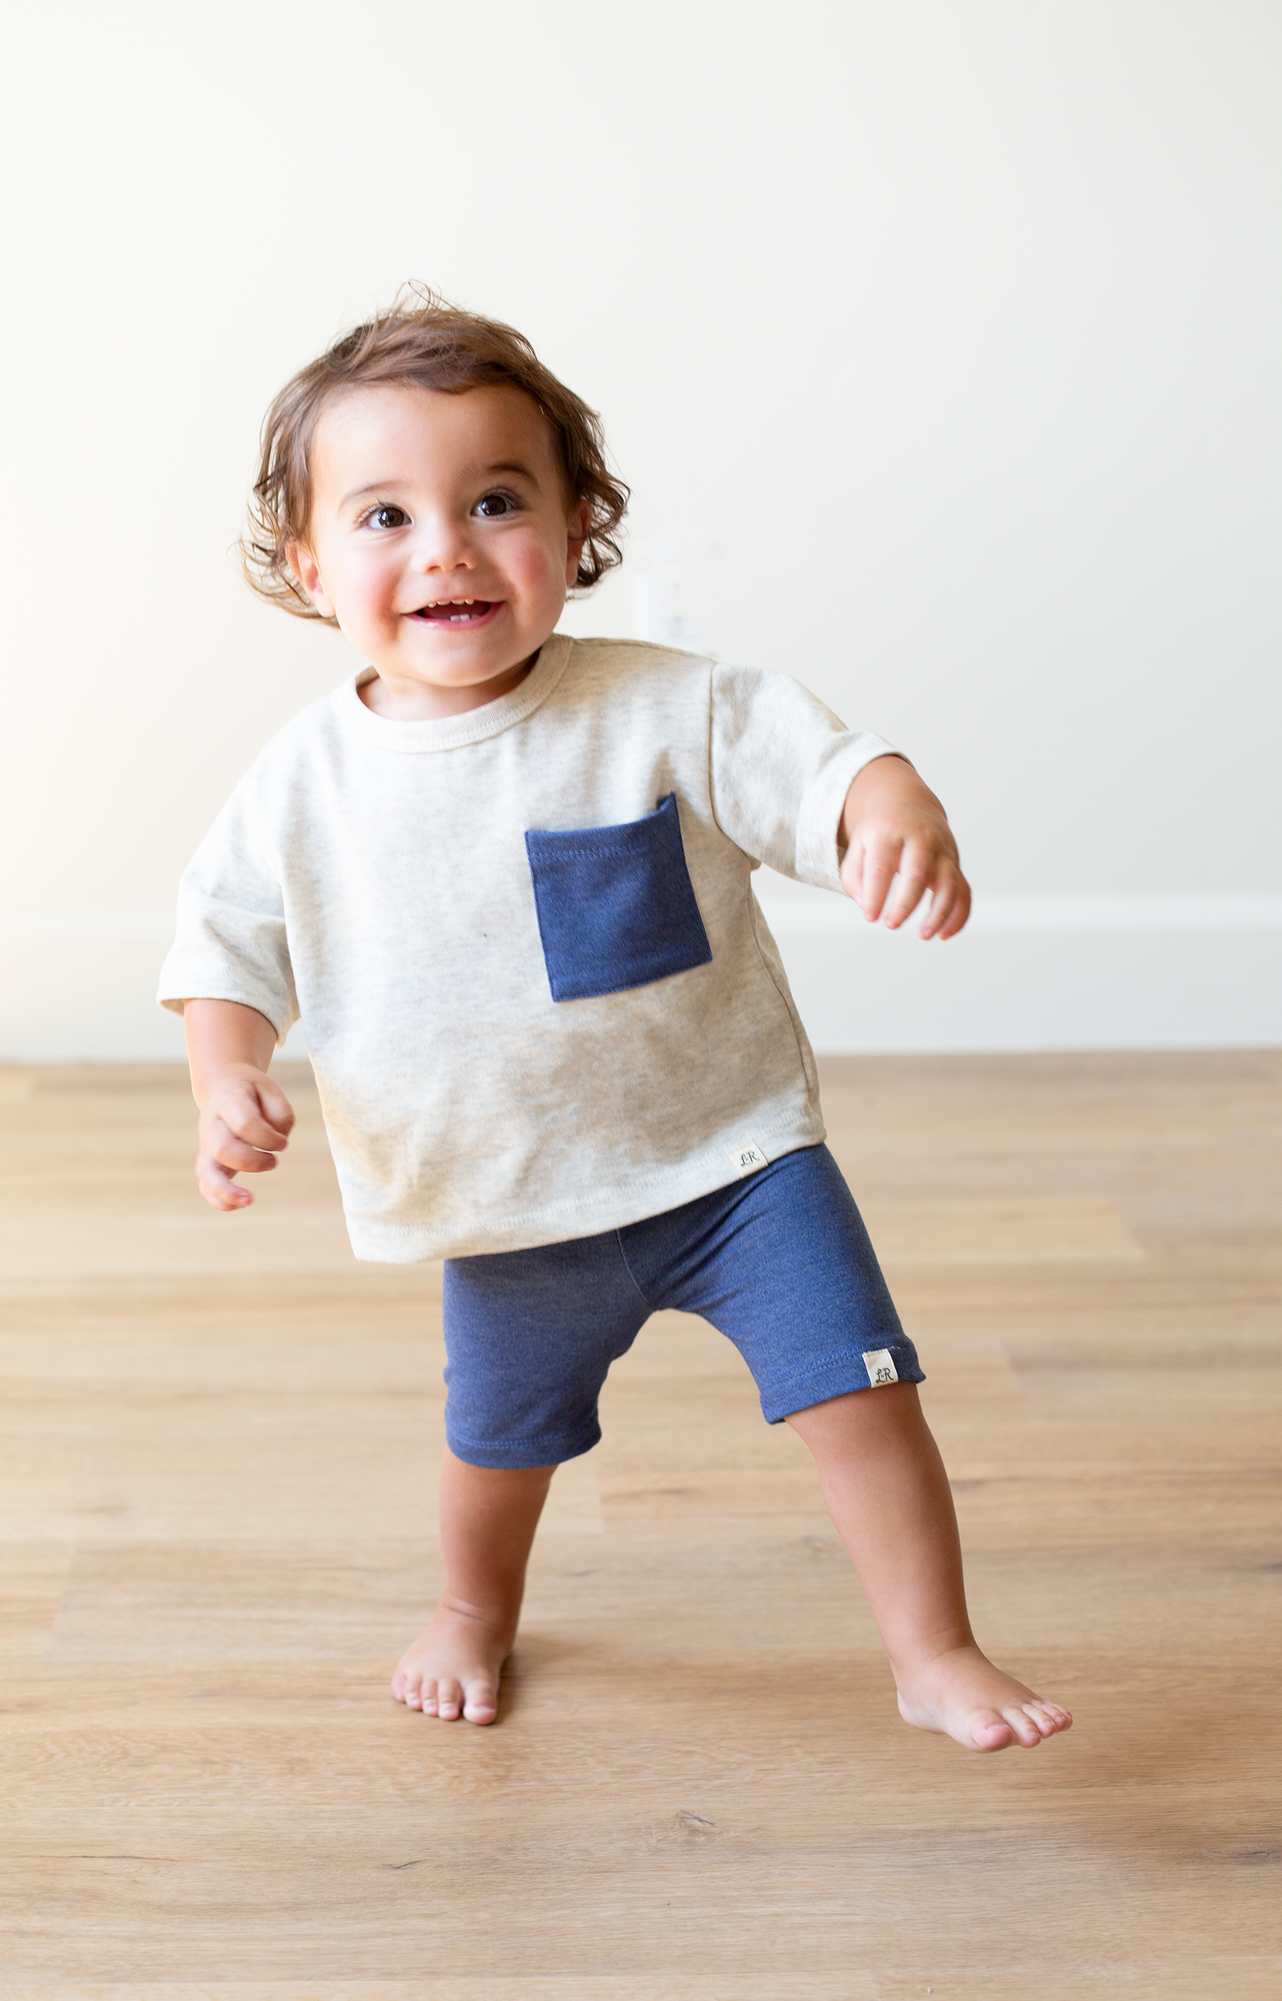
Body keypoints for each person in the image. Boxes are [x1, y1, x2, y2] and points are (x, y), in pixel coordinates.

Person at [159, 292, 1072, 1750]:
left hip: (737, 1163)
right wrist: (225, 1076)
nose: (447, 545)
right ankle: (473, 1609)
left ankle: (935, 1648)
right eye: (385, 515)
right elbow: (227, 940)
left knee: (864, 1395)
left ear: (579, 527)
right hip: (508, 1206)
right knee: (497, 1444)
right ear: (308, 561)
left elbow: (817, 759)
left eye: (497, 498)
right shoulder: (302, 782)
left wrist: (890, 805)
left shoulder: (663, 707)